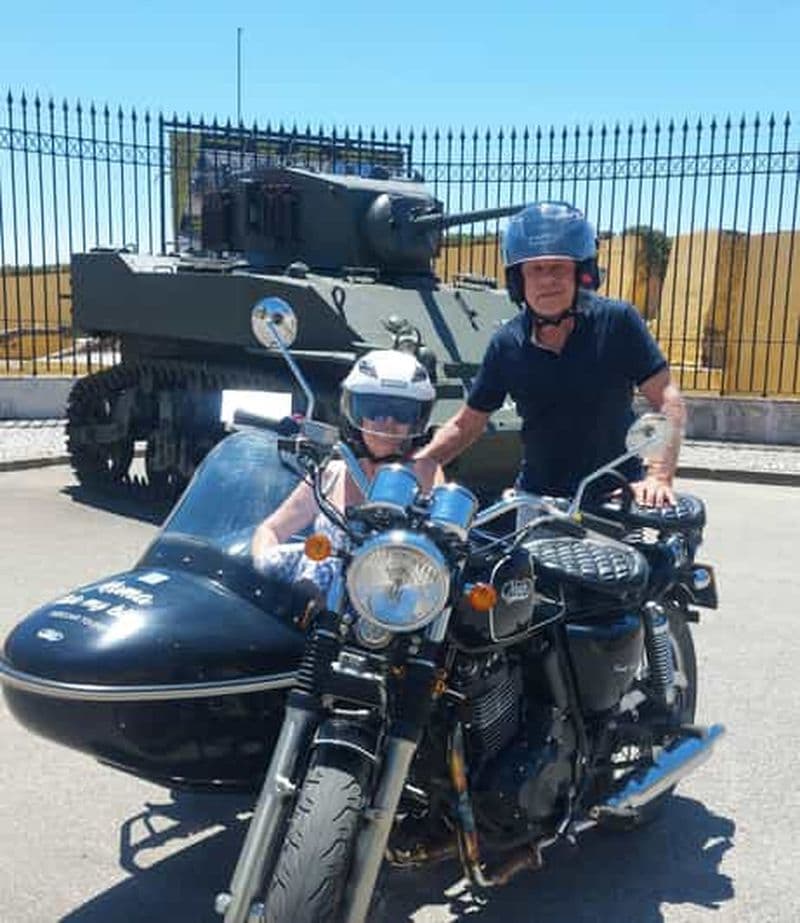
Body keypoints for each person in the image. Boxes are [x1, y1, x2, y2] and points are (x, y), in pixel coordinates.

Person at [415, 201, 685, 507]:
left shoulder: (618, 322)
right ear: (519, 280)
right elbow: (467, 423)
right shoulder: (507, 343)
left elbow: (667, 397)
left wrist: (658, 476)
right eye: (536, 270)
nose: (547, 280)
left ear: (580, 274)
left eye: (558, 268)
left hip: (615, 496)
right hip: (537, 498)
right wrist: (425, 460)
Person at [251, 348, 445, 573]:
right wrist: (263, 564)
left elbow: (445, 540)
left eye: (403, 412)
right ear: (356, 413)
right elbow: (271, 530)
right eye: (375, 410)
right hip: (320, 593)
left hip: (391, 592)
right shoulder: (330, 474)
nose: (388, 423)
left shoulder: (425, 473)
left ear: (416, 420)